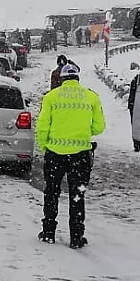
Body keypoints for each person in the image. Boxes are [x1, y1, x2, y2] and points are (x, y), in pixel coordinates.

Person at [36, 63, 105, 248]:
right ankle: (76, 237)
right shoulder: (91, 97)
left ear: (62, 78)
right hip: (80, 155)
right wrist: (82, 131)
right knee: (77, 195)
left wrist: (45, 147)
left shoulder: (51, 97)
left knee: (51, 192)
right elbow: (99, 127)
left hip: (55, 155)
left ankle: (48, 231)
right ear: (78, 78)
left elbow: (42, 126)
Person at [128, 73, 140, 152]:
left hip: (135, 105)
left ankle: (138, 145)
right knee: (139, 125)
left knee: (136, 125)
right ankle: (139, 145)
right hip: (137, 105)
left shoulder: (137, 80)